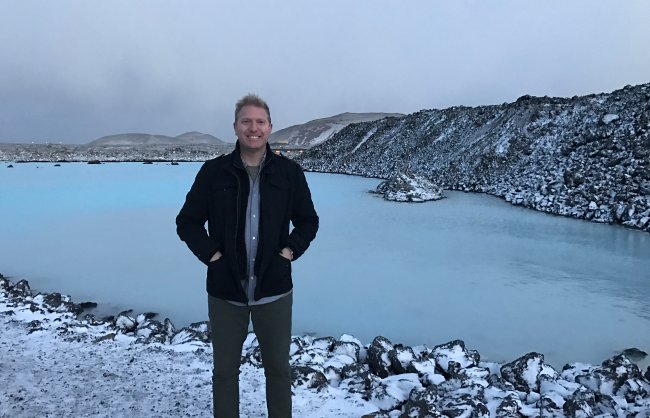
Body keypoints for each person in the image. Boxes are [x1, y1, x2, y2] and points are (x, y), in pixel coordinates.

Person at [176, 94, 319, 418]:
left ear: (269, 127)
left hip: (274, 291)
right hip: (226, 292)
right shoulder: (214, 173)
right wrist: (212, 255)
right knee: (225, 372)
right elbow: (187, 222)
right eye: (246, 121)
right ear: (235, 127)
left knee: (279, 372)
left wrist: (288, 253)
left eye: (260, 122)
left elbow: (309, 220)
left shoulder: (289, 173)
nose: (253, 128)